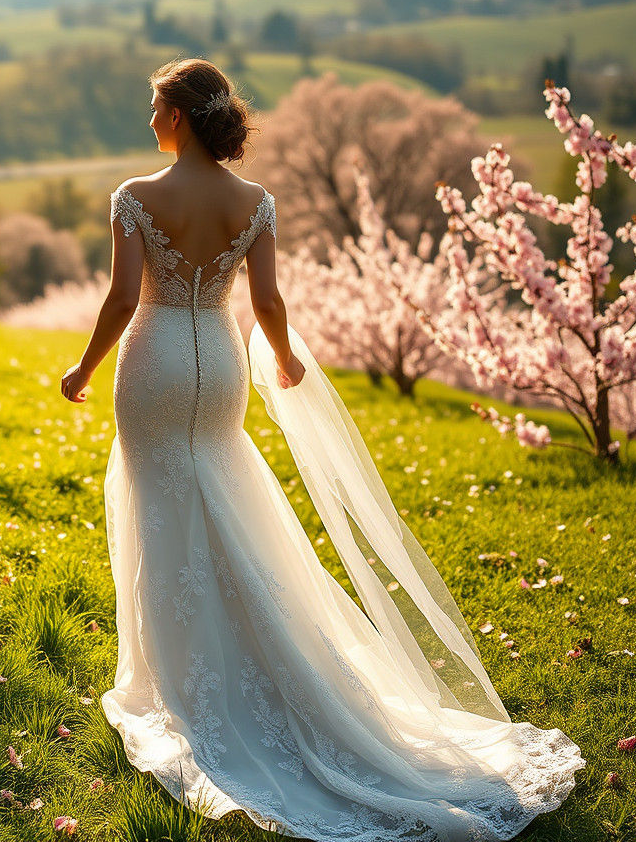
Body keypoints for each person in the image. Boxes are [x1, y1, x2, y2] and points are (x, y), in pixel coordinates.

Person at [60, 58, 585, 841]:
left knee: (162, 501)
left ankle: (180, 677)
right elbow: (268, 300)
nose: (150, 120)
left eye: (155, 107)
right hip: (219, 359)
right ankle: (258, 651)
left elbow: (121, 297)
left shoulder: (135, 196)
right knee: (224, 490)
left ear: (179, 117)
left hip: (154, 359)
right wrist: (285, 357)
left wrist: (84, 367)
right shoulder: (255, 202)